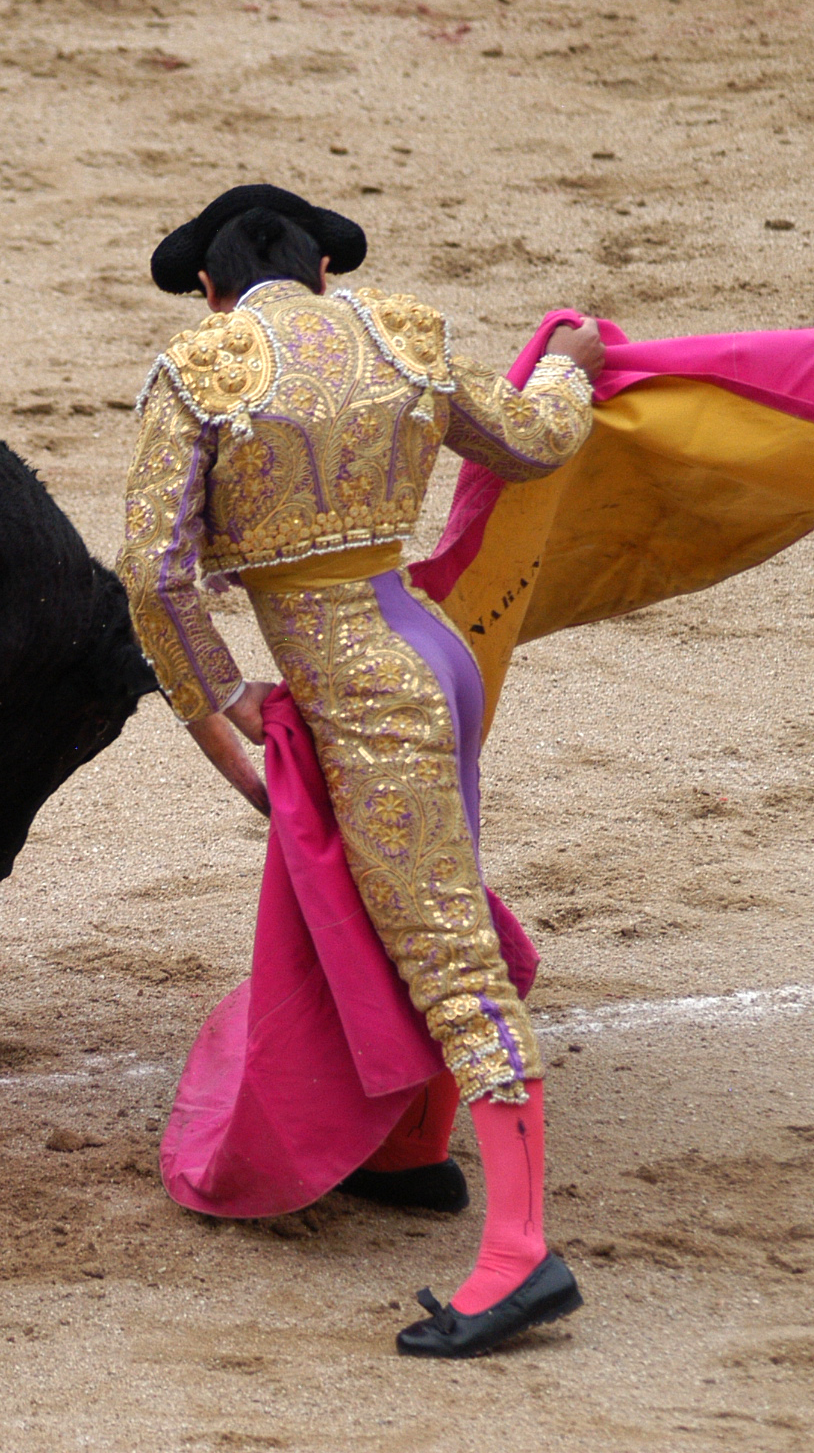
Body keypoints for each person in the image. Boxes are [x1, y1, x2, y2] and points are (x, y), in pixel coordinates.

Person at [119, 184, 603, 1357]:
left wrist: (222, 697)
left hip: (359, 691)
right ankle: (401, 1151)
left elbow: (151, 571)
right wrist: (572, 367)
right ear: (323, 271)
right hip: (432, 656)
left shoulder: (201, 369)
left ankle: (519, 1257)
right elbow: (531, 445)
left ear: (207, 284)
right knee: (393, 898)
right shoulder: (402, 331)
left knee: (442, 945)